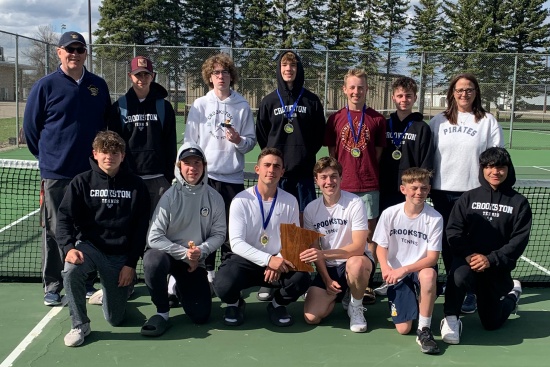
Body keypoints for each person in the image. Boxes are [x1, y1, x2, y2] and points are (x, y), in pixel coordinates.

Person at [23, 31, 111, 306]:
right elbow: (31, 129)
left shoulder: (98, 85)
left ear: (86, 53)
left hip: (89, 173)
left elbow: (106, 125)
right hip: (56, 174)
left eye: (79, 49)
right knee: (53, 230)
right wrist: (49, 158)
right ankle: (53, 285)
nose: (74, 54)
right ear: (59, 52)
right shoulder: (45, 86)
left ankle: (84, 281)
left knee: (88, 228)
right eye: (69, 49)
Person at [56, 131, 150, 347]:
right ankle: (80, 325)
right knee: (71, 270)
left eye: (115, 152)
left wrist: (130, 264)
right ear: (95, 154)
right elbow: (63, 219)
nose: (110, 157)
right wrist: (69, 247)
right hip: (90, 248)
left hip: (120, 255)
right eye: (105, 152)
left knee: (115, 319)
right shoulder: (81, 182)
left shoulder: (137, 185)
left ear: (123, 156)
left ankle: (113, 291)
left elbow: (140, 229)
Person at [440, 147, 532, 345]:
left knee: (492, 323)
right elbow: (453, 231)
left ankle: (512, 296)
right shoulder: (468, 197)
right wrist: (468, 255)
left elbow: (518, 240)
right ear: (482, 169)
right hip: (468, 262)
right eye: (489, 167)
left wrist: (490, 260)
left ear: (508, 169)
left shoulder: (519, 203)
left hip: (495, 267)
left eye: (500, 167)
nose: (495, 172)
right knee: (458, 276)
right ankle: (451, 318)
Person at [429, 73, 503, 314]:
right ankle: (453, 282)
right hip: (442, 192)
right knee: (448, 242)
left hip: (473, 194)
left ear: (476, 92)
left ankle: (470, 290)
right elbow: (428, 155)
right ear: (452, 92)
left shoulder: (487, 121)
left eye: (469, 89)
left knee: (472, 243)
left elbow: (495, 158)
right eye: (459, 90)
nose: (464, 94)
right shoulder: (438, 121)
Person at [255, 50, 325, 301]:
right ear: (279, 69)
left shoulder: (312, 101)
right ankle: (270, 278)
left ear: (299, 69)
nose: (289, 69)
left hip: (304, 175)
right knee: (273, 225)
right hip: (277, 176)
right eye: (285, 65)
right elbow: (263, 136)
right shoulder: (269, 101)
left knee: (301, 227)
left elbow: (319, 136)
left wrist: (302, 155)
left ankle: (298, 274)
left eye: (293, 65)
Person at [213, 148, 311, 327]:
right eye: (267, 165)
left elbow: (293, 241)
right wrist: (268, 260)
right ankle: (235, 304)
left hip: (279, 260)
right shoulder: (240, 200)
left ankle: (277, 305)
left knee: (302, 278)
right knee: (222, 283)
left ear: (282, 172)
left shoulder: (290, 201)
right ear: (257, 169)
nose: (271, 170)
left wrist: (278, 260)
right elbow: (236, 243)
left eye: (276, 166)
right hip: (245, 260)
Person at [184, 53, 256, 289]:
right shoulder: (200, 105)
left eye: (224, 72)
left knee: (228, 229)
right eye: (216, 72)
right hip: (206, 179)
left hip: (232, 179)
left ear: (231, 76)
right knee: (204, 228)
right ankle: (205, 271)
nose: (220, 76)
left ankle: (227, 274)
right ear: (209, 77)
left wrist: (238, 140)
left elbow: (250, 142)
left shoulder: (242, 106)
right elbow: (189, 141)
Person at [141, 143, 226, 337]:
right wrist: (185, 254)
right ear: (179, 166)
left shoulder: (215, 198)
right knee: (152, 261)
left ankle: (179, 286)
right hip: (168, 256)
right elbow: (153, 237)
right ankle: (162, 312)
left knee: (201, 316)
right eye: (187, 163)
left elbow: (219, 234)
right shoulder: (169, 197)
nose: (192, 168)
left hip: (195, 263)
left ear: (204, 166)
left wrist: (201, 251)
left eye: (197, 163)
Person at [324, 68, 386, 305]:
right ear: (345, 89)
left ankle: (366, 283)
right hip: (343, 186)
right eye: (352, 87)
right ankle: (339, 279)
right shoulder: (335, 119)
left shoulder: (377, 119)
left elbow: (377, 153)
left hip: (369, 185)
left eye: (360, 87)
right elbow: (332, 153)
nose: (356, 91)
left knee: (369, 235)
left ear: (366, 89)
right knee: (341, 233)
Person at [373, 168, 443, 355]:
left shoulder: (435, 218)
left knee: (429, 275)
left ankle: (424, 330)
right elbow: (381, 246)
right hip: (396, 273)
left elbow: (432, 258)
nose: (419, 193)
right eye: (414, 188)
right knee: (403, 329)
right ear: (403, 189)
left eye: (424, 188)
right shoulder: (390, 213)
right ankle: (416, 299)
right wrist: (386, 268)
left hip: (419, 269)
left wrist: (403, 270)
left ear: (429, 190)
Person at [300, 157, 374, 333]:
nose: (329, 182)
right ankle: (343, 292)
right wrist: (326, 279)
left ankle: (355, 306)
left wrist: (323, 255)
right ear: (316, 180)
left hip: (354, 261)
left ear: (341, 178)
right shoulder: (311, 209)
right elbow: (315, 247)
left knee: (356, 264)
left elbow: (357, 247)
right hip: (329, 268)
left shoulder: (354, 203)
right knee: (312, 317)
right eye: (323, 177)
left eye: (334, 176)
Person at [376, 77, 433, 297]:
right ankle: (388, 276)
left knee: (410, 235)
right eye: (400, 95)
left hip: (410, 194)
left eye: (408, 96)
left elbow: (426, 164)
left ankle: (412, 277)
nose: (404, 100)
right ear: (393, 96)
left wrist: (419, 190)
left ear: (415, 98)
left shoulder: (422, 128)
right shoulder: (384, 124)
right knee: (388, 236)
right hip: (386, 189)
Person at [109, 55, 177, 218]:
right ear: (130, 76)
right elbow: (114, 145)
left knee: (158, 230)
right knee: (130, 228)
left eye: (146, 74)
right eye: (138, 74)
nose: (142, 79)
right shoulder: (119, 107)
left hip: (158, 179)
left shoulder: (164, 106)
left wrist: (167, 177)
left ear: (153, 76)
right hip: (129, 179)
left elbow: (170, 144)